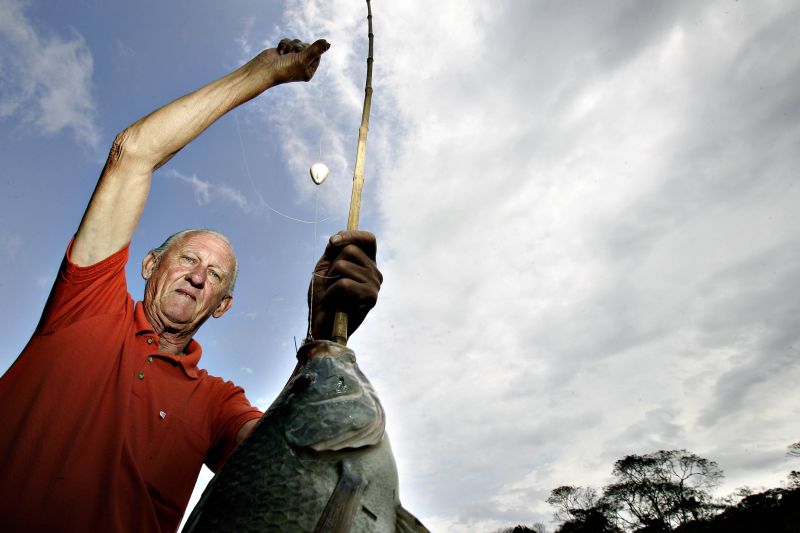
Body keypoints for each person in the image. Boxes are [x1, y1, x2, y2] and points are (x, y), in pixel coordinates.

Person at [0, 38, 383, 532]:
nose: (198, 275)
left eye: (215, 275)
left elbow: (292, 455)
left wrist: (325, 333)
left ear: (220, 306)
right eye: (188, 258)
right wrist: (262, 73)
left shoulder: (216, 402)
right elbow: (131, 154)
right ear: (149, 266)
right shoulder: (85, 303)